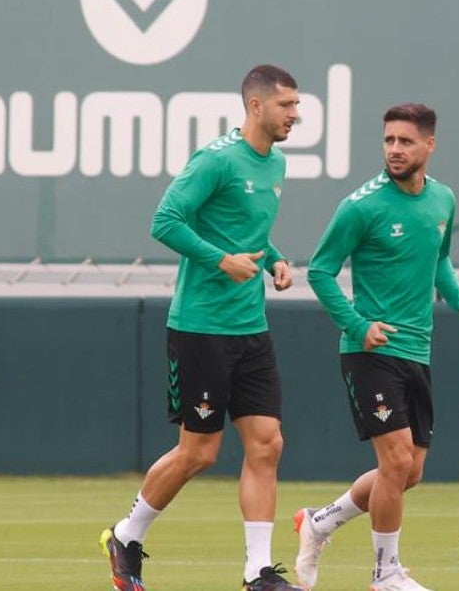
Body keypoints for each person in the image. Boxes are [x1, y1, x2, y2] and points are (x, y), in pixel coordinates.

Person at [101, 64, 305, 591]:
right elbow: (165, 221)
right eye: (287, 105)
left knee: (267, 443)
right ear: (256, 106)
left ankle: (258, 571)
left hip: (250, 328)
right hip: (200, 327)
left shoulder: (276, 162)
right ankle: (127, 534)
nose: (295, 115)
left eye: (296, 105)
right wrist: (222, 261)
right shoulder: (216, 159)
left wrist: (273, 260)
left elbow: (247, 230)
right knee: (200, 451)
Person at [293, 103, 459, 591]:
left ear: (429, 146)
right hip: (368, 351)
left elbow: (438, 259)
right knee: (396, 462)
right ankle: (386, 574)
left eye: (405, 141)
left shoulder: (443, 199)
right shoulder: (362, 205)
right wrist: (357, 326)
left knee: (408, 472)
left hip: (416, 351)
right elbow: (319, 269)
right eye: (388, 141)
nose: (395, 150)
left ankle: (320, 523)